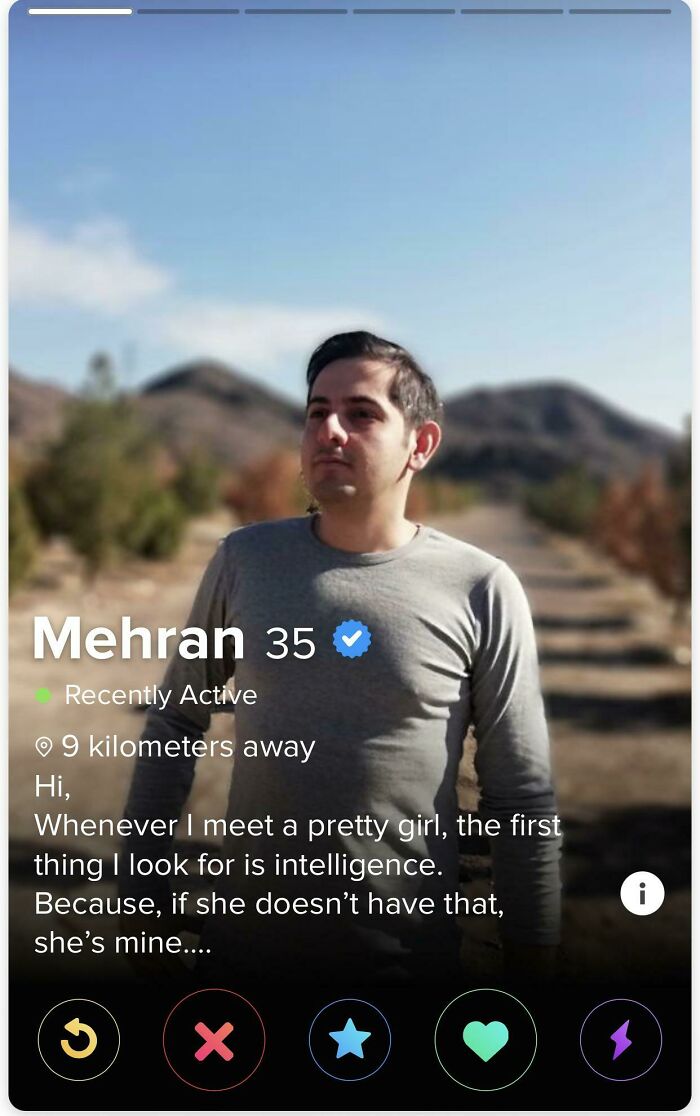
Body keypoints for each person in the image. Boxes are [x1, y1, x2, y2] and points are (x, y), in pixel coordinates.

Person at [120, 330, 561, 990]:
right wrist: (140, 902)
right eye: (316, 411)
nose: (329, 429)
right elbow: (175, 723)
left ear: (421, 444)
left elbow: (519, 796)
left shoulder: (481, 587)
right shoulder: (245, 561)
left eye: (361, 414)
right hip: (241, 974)